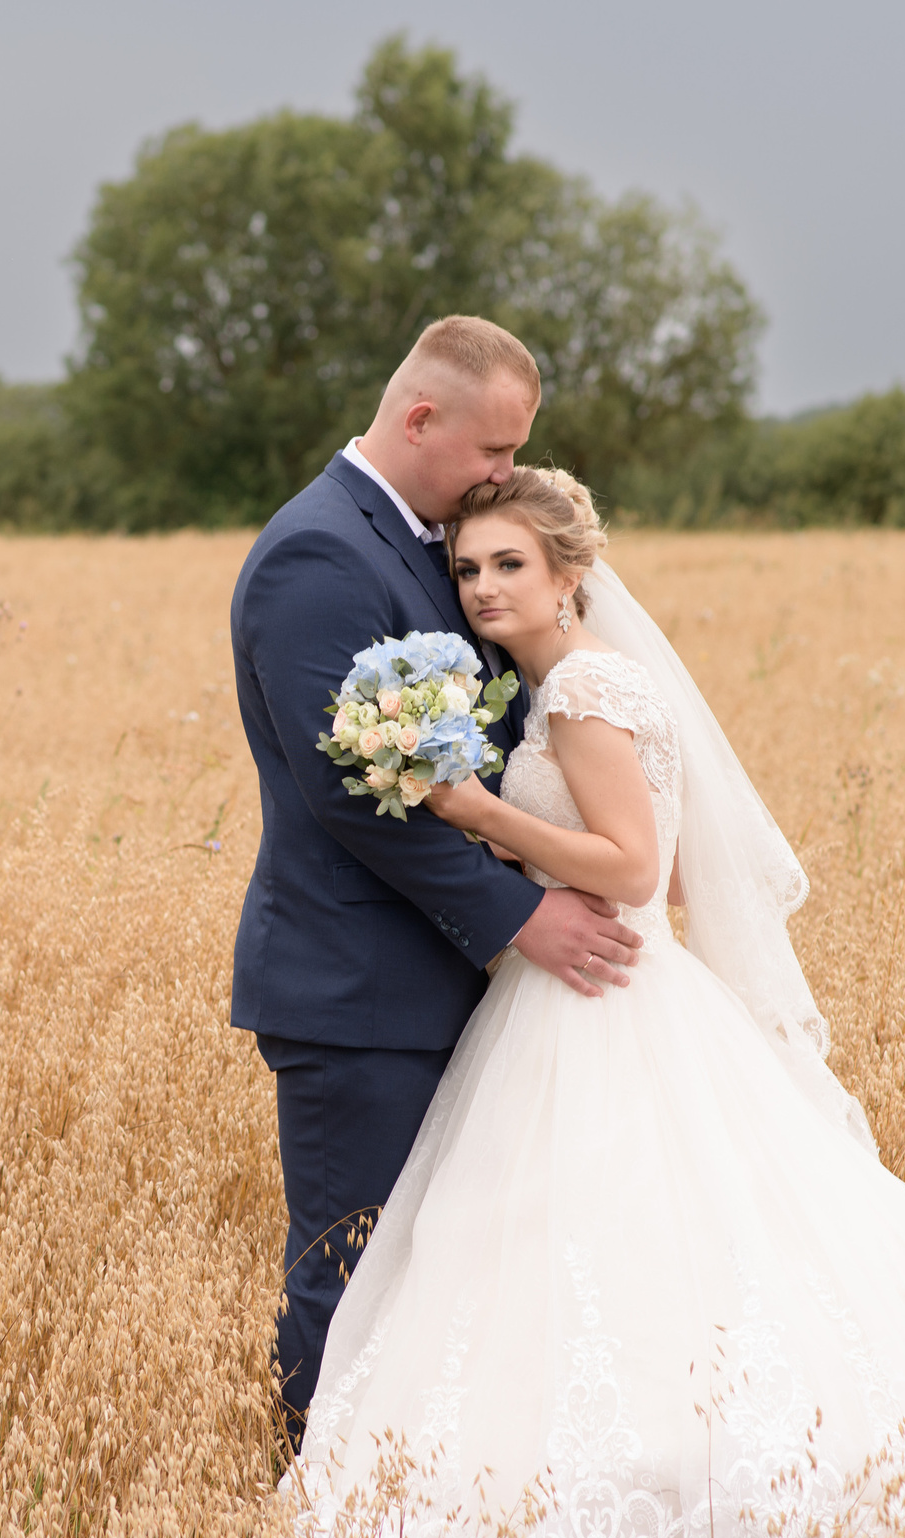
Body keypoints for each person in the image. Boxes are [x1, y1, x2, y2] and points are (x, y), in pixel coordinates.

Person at [281, 467, 905, 1538]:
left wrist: (468, 811)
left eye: (510, 565)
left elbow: (631, 870)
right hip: (595, 986)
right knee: (625, 1255)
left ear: (569, 576)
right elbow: (674, 869)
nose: (483, 588)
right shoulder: (564, 687)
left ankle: (687, 1508)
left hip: (600, 999)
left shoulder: (584, 688)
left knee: (614, 1249)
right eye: (468, 569)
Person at [228, 317, 643, 1449]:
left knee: (458, 1277)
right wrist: (523, 915)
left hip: (459, 989)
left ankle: (423, 1504)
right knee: (357, 1270)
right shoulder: (318, 555)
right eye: (494, 449)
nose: (506, 474)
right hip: (360, 993)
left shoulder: (434, 542)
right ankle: (309, 1511)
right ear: (421, 419)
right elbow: (349, 792)